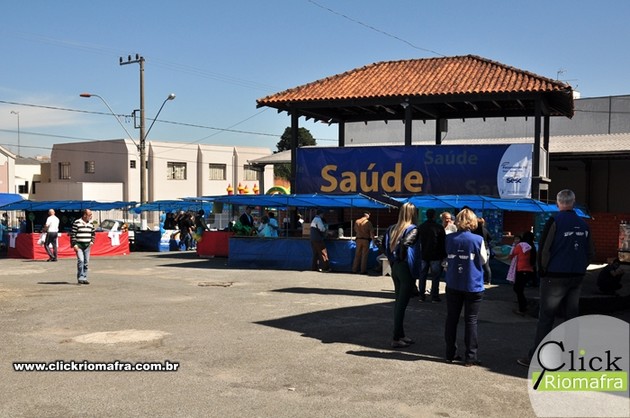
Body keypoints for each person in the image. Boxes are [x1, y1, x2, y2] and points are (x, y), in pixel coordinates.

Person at [517, 189, 595, 367]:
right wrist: (580, 267)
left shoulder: (554, 221)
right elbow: (591, 251)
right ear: (573, 202)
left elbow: (544, 249)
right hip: (576, 276)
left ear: (558, 203)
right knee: (572, 318)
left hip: (554, 276)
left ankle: (537, 356)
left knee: (546, 317)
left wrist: (542, 271)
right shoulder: (584, 224)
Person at [444, 208, 489, 366]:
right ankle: (470, 357)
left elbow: (446, 256)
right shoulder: (478, 239)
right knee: (471, 320)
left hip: (453, 283)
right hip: (473, 283)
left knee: (452, 318)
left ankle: (450, 353)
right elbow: (483, 260)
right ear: (473, 221)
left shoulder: (449, 238)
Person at [384, 202, 421, 348]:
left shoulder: (392, 228)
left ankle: (400, 334)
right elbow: (406, 244)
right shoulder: (413, 229)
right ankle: (395, 337)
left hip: (396, 267)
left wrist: (393, 259)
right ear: (413, 213)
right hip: (405, 268)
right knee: (401, 305)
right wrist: (401, 256)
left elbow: (383, 244)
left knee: (399, 302)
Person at [418, 209, 447, 302]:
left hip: (424, 254)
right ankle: (434, 296)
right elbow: (443, 242)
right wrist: (444, 255)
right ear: (434, 216)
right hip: (435, 255)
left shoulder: (421, 227)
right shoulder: (439, 227)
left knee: (423, 275)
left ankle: (421, 295)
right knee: (435, 276)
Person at [510, 231, 537, 316]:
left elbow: (513, 254)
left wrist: (514, 245)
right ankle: (523, 305)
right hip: (529, 270)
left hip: (521, 270)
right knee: (519, 289)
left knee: (518, 289)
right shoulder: (532, 246)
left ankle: (523, 308)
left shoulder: (520, 245)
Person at [71, 209, 95, 285]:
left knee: (86, 262)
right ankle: (80, 277)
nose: (91, 216)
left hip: (87, 245)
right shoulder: (77, 222)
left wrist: (92, 241)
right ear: (84, 215)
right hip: (79, 245)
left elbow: (93, 234)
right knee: (81, 260)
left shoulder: (91, 223)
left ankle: (84, 277)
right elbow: (73, 234)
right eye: (89, 215)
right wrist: (74, 244)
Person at [474, 217, 494, 284]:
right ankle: (488, 280)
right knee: (486, 266)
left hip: (479, 248)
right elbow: (490, 238)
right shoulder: (485, 230)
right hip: (486, 248)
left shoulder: (475, 231)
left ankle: (480, 279)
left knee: (477, 265)